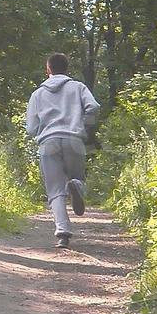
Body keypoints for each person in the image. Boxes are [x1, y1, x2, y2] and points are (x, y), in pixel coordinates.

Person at [24, 53, 99, 248]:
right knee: (77, 177)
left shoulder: (37, 94)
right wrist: (84, 126)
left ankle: (63, 233)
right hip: (74, 139)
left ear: (48, 70)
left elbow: (31, 129)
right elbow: (93, 107)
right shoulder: (78, 87)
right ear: (67, 69)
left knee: (55, 190)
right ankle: (75, 184)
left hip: (48, 143)